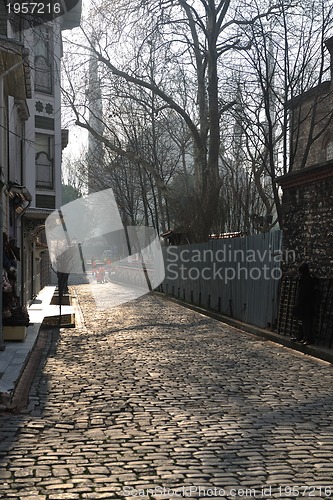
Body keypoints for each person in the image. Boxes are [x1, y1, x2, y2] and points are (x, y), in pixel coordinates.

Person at [292, 263, 318, 345]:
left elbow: (305, 294)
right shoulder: (303, 280)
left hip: (307, 305)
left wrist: (300, 303)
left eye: (299, 272)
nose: (298, 274)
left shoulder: (307, 280)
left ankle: (308, 338)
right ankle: (302, 336)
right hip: (304, 305)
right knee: (302, 322)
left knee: (307, 322)